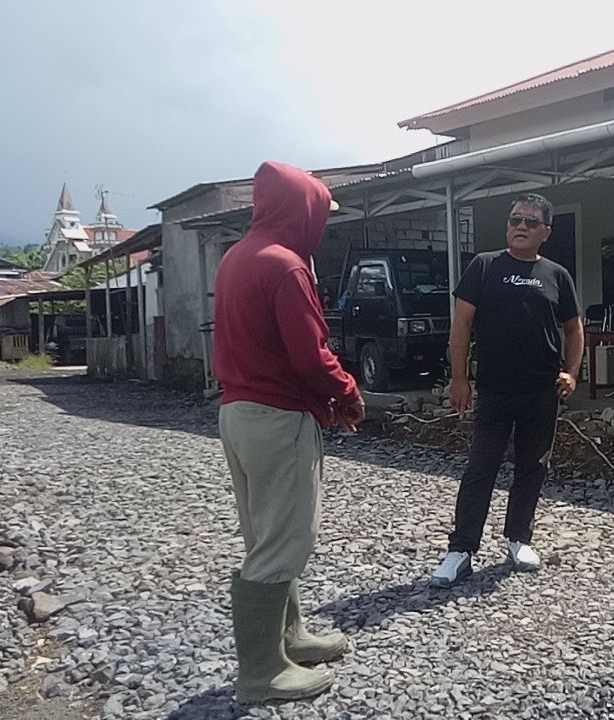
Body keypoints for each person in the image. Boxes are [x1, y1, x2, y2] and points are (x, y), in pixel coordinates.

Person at [213, 160, 366, 704]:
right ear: (303, 210)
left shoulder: (238, 256)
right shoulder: (286, 267)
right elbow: (310, 358)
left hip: (239, 414)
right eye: (320, 212)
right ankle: (260, 673)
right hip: (279, 417)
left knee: (264, 532)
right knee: (283, 540)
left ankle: (289, 638)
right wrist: (348, 393)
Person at [430, 193, 584, 588]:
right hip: (496, 388)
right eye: (516, 219)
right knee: (481, 468)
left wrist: (571, 372)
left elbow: (573, 328)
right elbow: (462, 324)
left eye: (532, 222)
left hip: (541, 389)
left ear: (545, 232)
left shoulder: (557, 275)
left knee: (533, 467)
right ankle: (461, 550)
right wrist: (459, 377)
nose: (521, 226)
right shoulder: (483, 266)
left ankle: (519, 539)